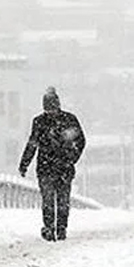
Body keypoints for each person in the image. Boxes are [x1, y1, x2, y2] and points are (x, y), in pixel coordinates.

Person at [18, 87, 86, 241]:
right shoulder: (68, 120)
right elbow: (80, 141)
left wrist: (25, 163)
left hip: (49, 166)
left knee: (54, 200)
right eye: (48, 108)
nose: (51, 112)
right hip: (60, 167)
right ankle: (55, 228)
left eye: (51, 108)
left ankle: (56, 228)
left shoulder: (40, 122)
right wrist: (72, 158)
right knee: (59, 200)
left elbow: (32, 144)